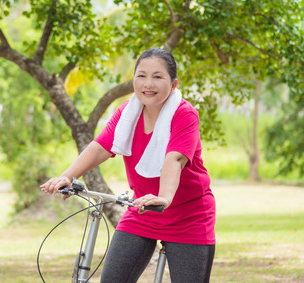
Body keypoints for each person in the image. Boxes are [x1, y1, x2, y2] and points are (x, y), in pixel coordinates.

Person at [40, 48, 216, 283]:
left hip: (188, 215)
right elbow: (101, 147)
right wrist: (67, 176)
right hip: (142, 209)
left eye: (158, 76)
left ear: (173, 85)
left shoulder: (185, 114)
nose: (148, 84)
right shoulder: (126, 113)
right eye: (141, 75)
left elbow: (174, 158)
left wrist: (164, 198)